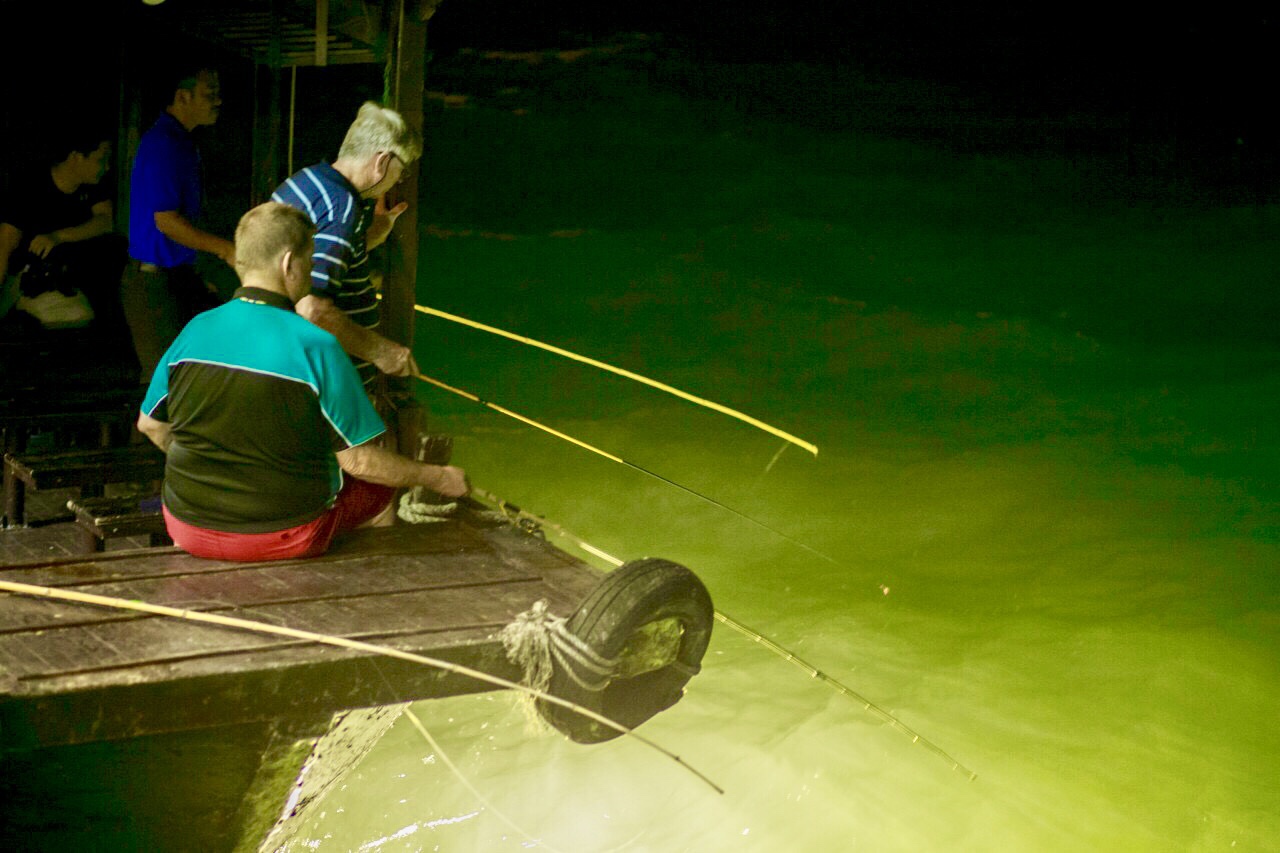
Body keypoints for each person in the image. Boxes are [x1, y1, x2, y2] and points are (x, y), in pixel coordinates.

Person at [136, 202, 468, 562]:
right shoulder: (316, 344)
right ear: (289, 263)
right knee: (377, 496)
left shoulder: (194, 330)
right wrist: (437, 477)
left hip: (186, 527)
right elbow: (359, 461)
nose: (310, 273)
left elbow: (150, 425)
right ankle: (368, 597)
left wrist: (211, 469)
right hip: (281, 535)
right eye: (310, 262)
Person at [271, 101, 420, 388]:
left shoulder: (307, 180)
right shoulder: (341, 208)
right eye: (401, 172)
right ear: (382, 162)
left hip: (281, 364)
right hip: (318, 385)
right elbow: (311, 309)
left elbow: (308, 261)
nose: (397, 181)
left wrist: (363, 241)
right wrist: (382, 352)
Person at [121, 65, 236, 384]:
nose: (218, 102)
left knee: (186, 380)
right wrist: (227, 250)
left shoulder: (181, 141)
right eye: (209, 95)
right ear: (182, 97)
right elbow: (167, 222)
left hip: (173, 278)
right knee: (165, 387)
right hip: (153, 283)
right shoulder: (164, 143)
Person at [0, 123, 126, 332]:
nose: (107, 167)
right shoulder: (30, 184)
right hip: (26, 279)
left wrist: (58, 237)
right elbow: (6, 243)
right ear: (77, 157)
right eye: (100, 159)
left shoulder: (94, 185)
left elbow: (105, 221)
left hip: (69, 280)